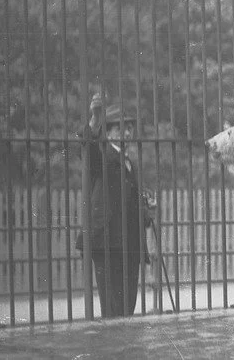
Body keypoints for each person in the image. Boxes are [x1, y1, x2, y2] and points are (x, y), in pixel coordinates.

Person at [76, 93, 151, 317]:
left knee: (128, 308)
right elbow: (88, 149)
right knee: (112, 310)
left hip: (130, 244)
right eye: (120, 128)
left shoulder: (130, 163)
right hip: (108, 243)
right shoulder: (102, 156)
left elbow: (130, 203)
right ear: (107, 132)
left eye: (129, 128)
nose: (127, 133)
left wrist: (146, 211)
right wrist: (93, 122)